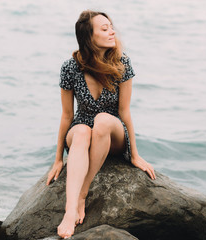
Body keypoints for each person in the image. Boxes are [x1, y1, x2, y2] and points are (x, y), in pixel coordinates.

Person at [46, 10, 156, 239]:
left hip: (112, 131)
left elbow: (125, 112)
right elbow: (67, 116)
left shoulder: (122, 62)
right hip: (81, 129)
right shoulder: (70, 68)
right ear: (89, 37)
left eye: (111, 26)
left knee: (102, 120)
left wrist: (134, 154)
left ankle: (81, 194)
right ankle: (69, 211)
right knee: (83, 130)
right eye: (104, 29)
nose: (112, 31)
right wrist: (57, 159)